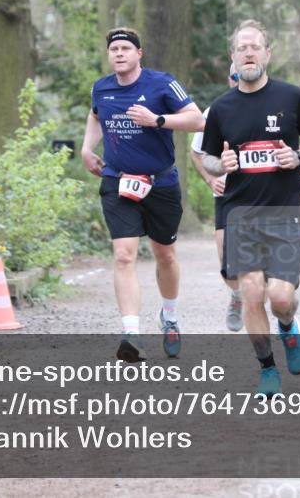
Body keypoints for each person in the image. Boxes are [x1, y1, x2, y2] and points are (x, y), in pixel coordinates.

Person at [200, 19, 300, 396]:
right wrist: (224, 165)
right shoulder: (221, 109)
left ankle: (288, 327)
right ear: (233, 59)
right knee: (252, 294)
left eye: (255, 46)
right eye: (242, 48)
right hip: (241, 216)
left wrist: (299, 155)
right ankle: (267, 369)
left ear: (267, 54)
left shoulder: (291, 97)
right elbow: (207, 158)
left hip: (283, 213)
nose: (249, 53)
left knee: (282, 298)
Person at [81, 27, 204, 363]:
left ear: (139, 53)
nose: (118, 54)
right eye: (113, 49)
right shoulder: (102, 88)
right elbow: (94, 117)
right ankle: (131, 334)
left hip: (160, 183)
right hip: (117, 181)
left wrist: (157, 119)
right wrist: (87, 148)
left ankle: (171, 316)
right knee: (124, 255)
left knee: (165, 255)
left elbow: (198, 120)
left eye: (125, 48)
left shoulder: (162, 83)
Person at [189, 65, 243, 332]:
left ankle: (277, 305)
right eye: (234, 76)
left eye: (242, 74)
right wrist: (210, 179)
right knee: (225, 257)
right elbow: (196, 153)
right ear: (229, 79)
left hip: (260, 192)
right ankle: (237, 297)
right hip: (226, 192)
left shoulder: (270, 107)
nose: (239, 80)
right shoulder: (214, 111)